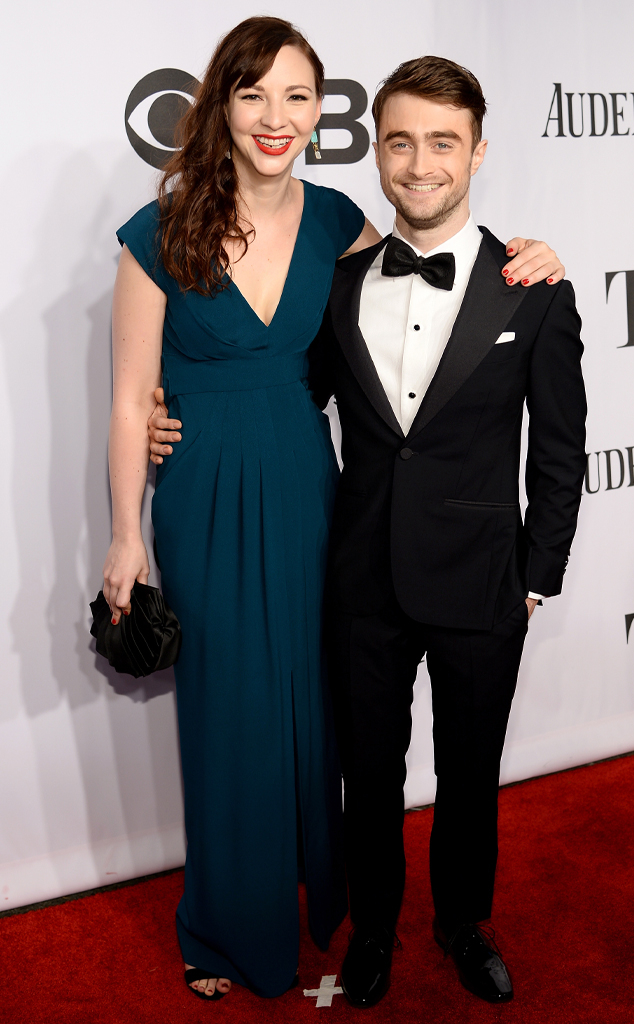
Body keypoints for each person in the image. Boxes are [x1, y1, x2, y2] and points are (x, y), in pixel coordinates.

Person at [132, 24, 563, 1002]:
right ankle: (301, 925)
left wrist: (532, 253)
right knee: (309, 745)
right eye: (255, 95)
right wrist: (166, 422)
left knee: (413, 757)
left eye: (298, 98)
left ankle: (427, 918)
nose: (277, 117)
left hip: (400, 537)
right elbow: (196, 381)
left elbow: (542, 425)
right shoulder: (208, 235)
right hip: (280, 524)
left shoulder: (369, 237)